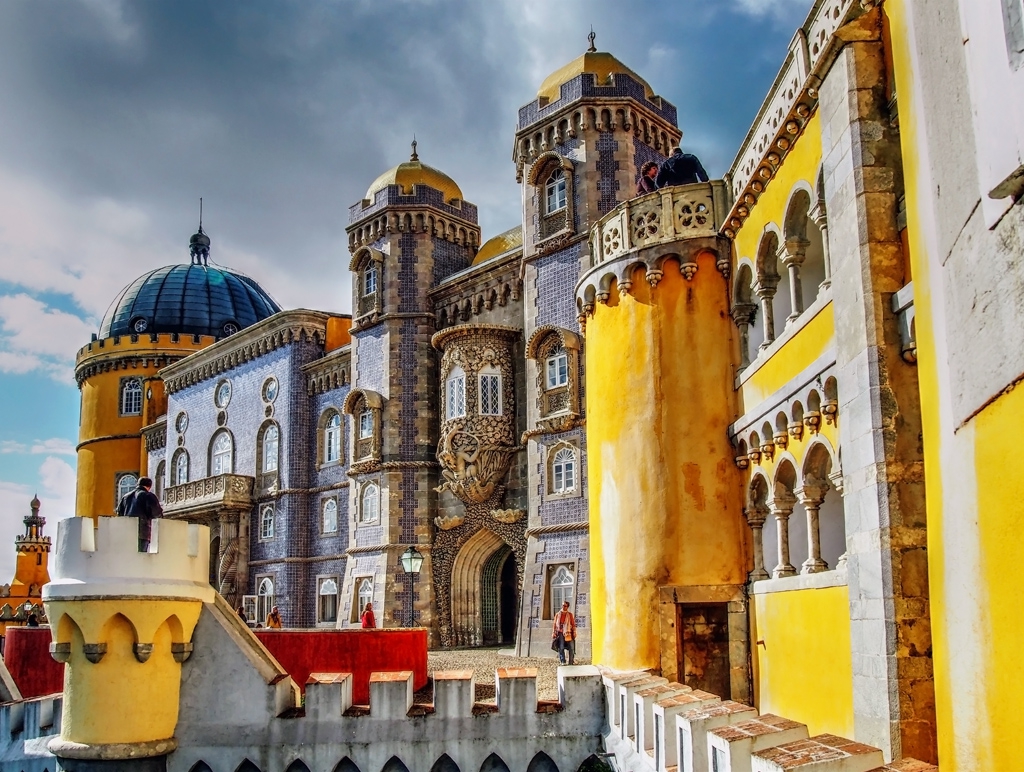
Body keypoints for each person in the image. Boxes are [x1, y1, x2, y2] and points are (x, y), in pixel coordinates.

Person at [116, 476, 163, 552]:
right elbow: (157, 513)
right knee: (141, 556)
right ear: (149, 487)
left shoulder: (125, 497)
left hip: (127, 532)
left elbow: (119, 513)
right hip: (142, 532)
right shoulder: (148, 495)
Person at [552, 601, 576, 665]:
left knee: (571, 647)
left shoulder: (570, 615)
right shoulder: (558, 614)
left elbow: (573, 624)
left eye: (565, 606)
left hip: (568, 632)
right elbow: (554, 624)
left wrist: (574, 632)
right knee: (561, 647)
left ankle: (571, 661)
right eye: (562, 605)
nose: (563, 607)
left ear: (567, 607)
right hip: (560, 632)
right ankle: (563, 661)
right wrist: (553, 632)